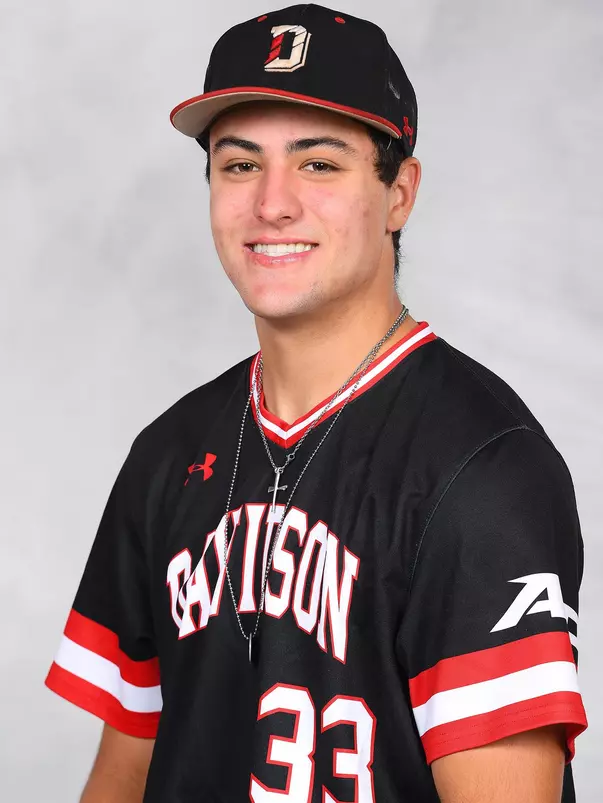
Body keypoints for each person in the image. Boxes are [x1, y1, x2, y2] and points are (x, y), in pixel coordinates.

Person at [45, 4, 588, 802]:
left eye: (319, 164)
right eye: (238, 165)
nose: (271, 204)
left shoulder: (485, 468)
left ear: (398, 193)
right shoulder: (166, 453)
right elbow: (123, 775)